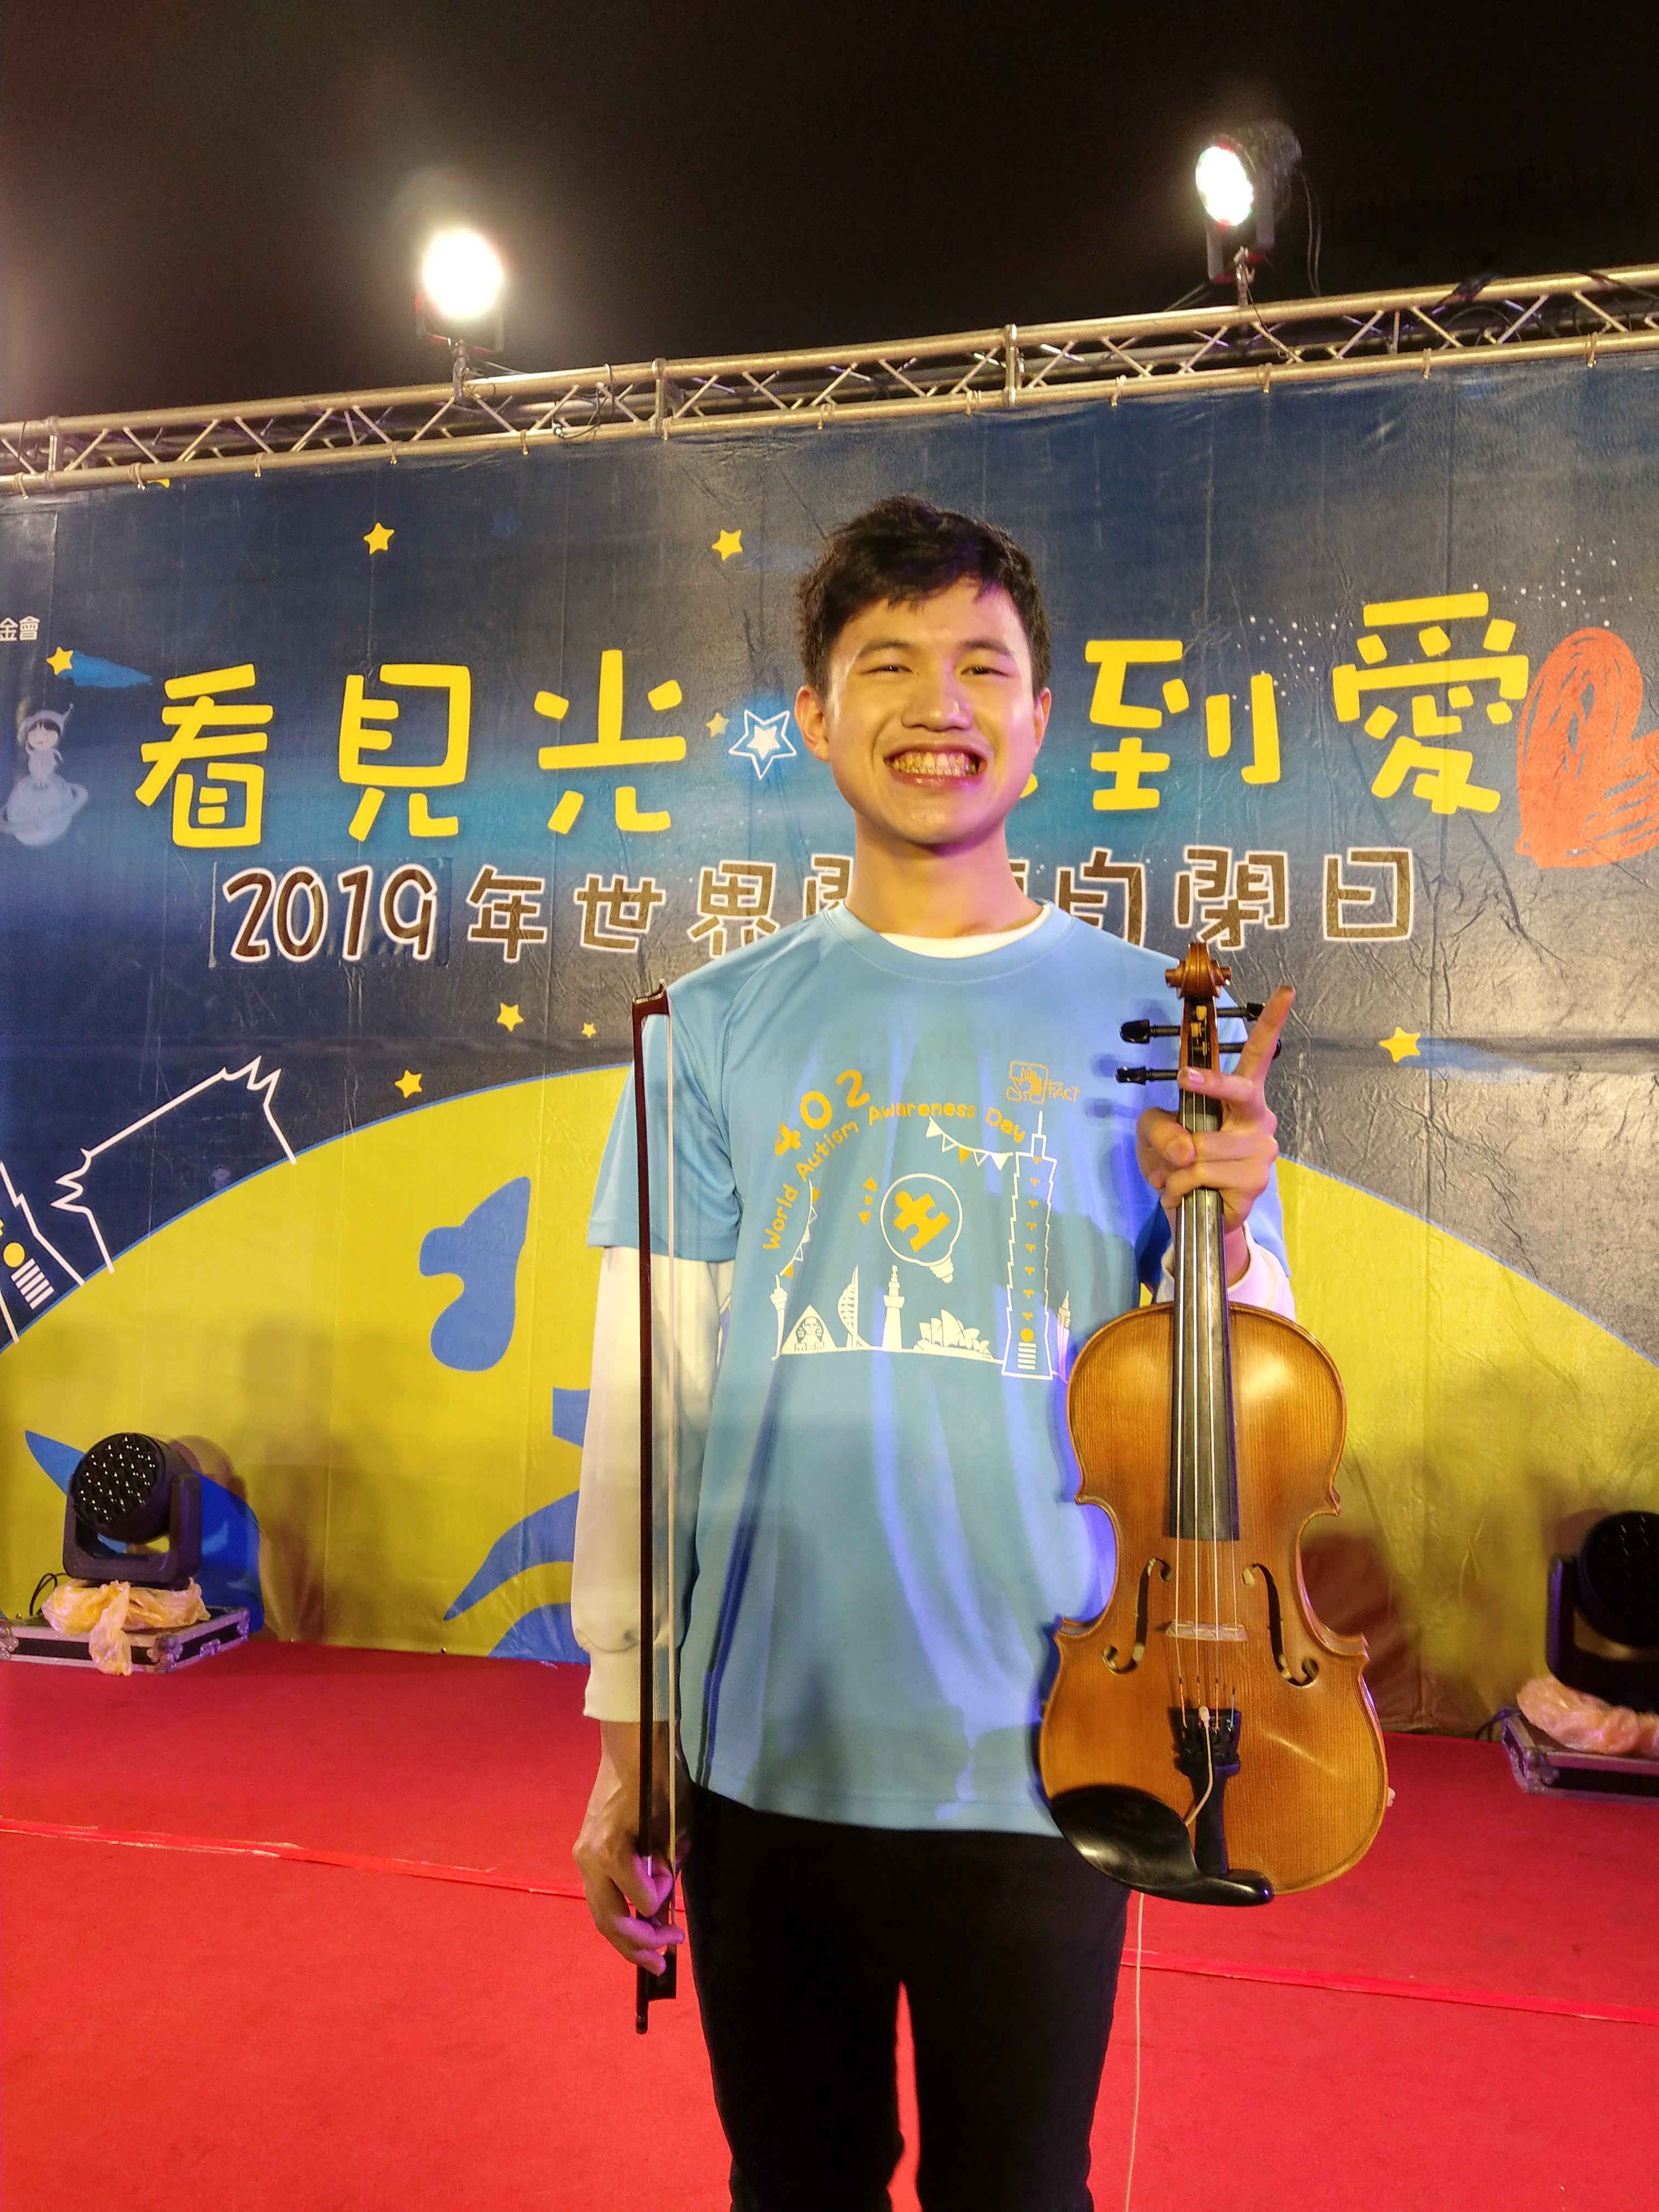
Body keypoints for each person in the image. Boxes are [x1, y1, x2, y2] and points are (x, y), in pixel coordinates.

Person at [571, 495, 1295, 2212]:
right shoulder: (709, 1027)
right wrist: (627, 1741)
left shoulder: (1163, 1017)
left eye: (982, 664)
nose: (937, 704)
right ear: (816, 720)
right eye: (885, 663)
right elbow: (652, 1412)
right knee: (794, 2182)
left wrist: (1229, 1235)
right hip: (768, 1745)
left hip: (1058, 1743)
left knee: (1021, 2190)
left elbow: (1253, 1398)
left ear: (1040, 721)